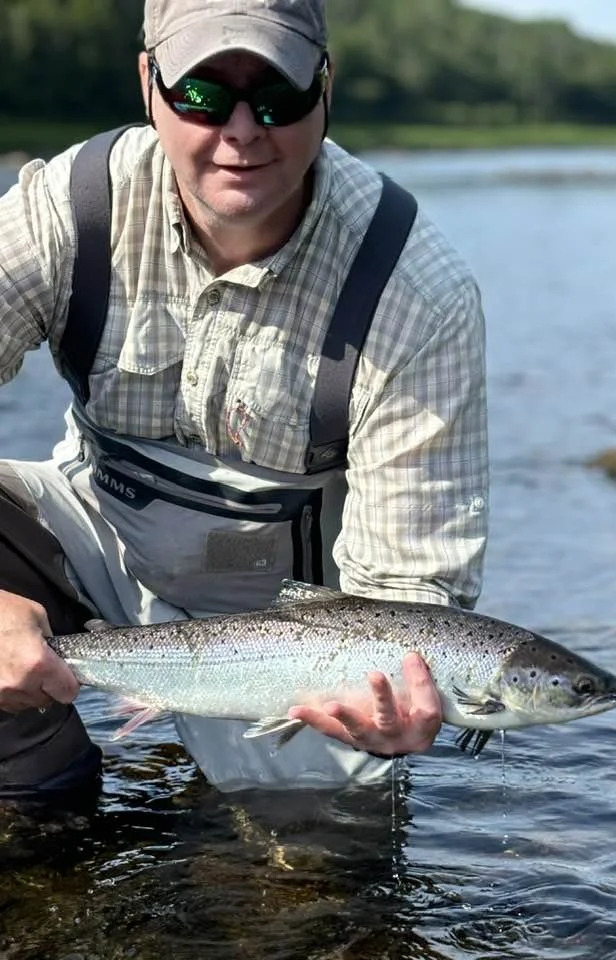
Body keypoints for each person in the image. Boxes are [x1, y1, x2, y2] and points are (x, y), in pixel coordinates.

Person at [0, 0, 487, 797]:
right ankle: (37, 814)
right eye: (201, 91)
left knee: (311, 883)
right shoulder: (71, 206)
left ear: (325, 88)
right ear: (149, 84)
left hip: (306, 642)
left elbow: (408, 592)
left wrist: (398, 698)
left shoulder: (416, 290)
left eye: (276, 93)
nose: (241, 128)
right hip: (91, 546)